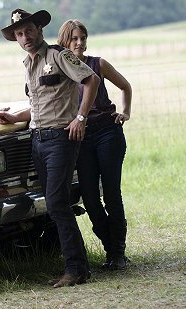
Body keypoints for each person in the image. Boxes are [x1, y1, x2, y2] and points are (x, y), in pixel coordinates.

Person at [0, 9, 100, 288]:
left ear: (40, 30)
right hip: (37, 140)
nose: (25, 37)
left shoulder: (59, 55)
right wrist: (15, 118)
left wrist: (80, 117)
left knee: (57, 204)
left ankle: (76, 268)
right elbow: (37, 104)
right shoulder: (28, 64)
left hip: (60, 139)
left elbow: (91, 79)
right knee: (53, 205)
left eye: (29, 30)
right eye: (19, 33)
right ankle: (76, 265)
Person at [57, 19, 132, 270]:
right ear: (65, 41)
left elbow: (125, 86)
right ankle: (111, 248)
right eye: (74, 39)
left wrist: (126, 112)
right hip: (82, 139)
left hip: (108, 133)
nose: (80, 43)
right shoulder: (60, 69)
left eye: (83, 38)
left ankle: (117, 254)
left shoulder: (97, 64)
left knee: (112, 194)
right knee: (89, 199)